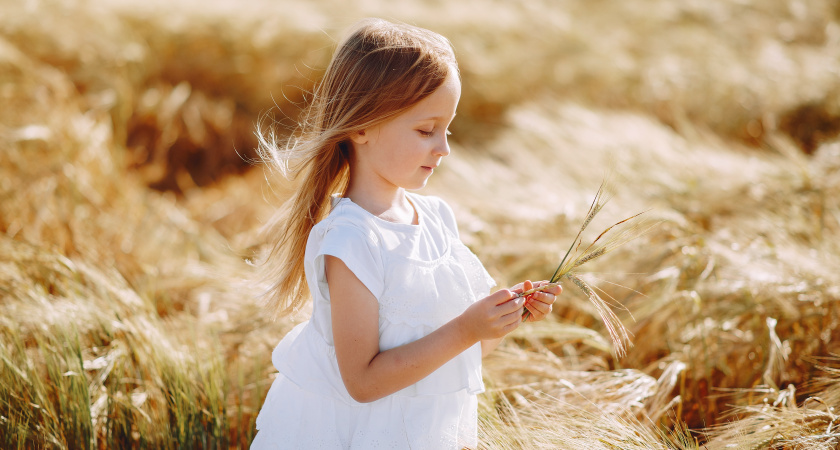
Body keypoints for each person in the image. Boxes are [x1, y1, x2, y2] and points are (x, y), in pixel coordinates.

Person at [251, 18, 561, 449]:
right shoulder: (350, 240)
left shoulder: (437, 219)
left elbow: (463, 356)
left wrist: (502, 320)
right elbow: (362, 382)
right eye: (425, 130)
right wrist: (468, 329)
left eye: (447, 128)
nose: (444, 147)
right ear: (360, 127)